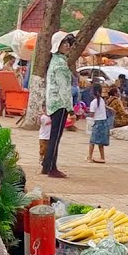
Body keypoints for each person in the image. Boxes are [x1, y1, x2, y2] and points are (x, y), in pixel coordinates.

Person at [42, 31, 76, 179]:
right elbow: (64, 89)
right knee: (55, 137)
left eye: (68, 42)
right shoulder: (60, 64)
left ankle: (46, 165)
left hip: (52, 103)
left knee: (53, 136)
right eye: (64, 43)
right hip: (60, 104)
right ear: (58, 46)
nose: (67, 45)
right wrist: (70, 109)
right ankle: (51, 168)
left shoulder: (54, 61)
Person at [87, 81, 111, 164]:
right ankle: (102, 157)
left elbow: (92, 114)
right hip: (104, 122)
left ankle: (89, 157)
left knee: (92, 141)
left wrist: (86, 113)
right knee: (100, 142)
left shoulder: (93, 102)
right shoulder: (102, 100)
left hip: (97, 123)